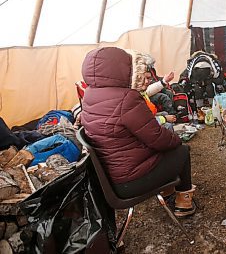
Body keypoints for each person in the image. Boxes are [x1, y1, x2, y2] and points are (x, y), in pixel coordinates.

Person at [80, 47, 196, 217]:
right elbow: (157, 138)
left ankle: (167, 190)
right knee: (182, 151)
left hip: (109, 177)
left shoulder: (90, 94)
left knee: (168, 147)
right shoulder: (126, 98)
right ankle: (184, 203)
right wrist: (176, 140)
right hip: (130, 181)